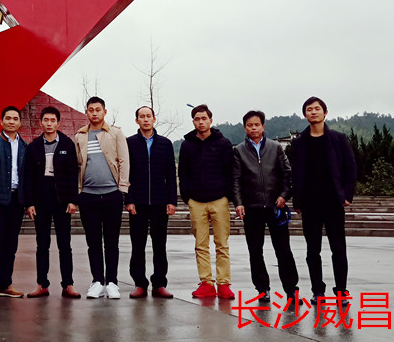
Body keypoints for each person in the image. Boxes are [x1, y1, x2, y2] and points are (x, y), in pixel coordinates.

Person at [291, 96, 356, 306]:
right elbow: (295, 173)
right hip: (310, 203)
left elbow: (351, 169)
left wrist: (347, 196)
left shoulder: (338, 139)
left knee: (338, 249)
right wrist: (297, 201)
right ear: (305, 115)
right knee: (313, 250)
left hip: (333, 201)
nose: (313, 112)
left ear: (325, 112)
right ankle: (318, 291)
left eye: (317, 108)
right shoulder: (299, 143)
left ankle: (341, 291)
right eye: (309, 109)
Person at [232, 110, 299, 304]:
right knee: (255, 251)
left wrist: (284, 195)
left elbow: (287, 174)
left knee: (283, 250)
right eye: (250, 125)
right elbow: (235, 179)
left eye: (257, 124)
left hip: (275, 206)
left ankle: (291, 290)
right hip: (251, 207)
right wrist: (239, 203)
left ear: (263, 126)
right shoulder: (239, 151)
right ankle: (262, 289)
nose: (253, 128)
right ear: (245, 128)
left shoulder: (275, 147)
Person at [73, 96, 129, 300]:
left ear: (105, 112)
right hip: (88, 196)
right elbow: (77, 165)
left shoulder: (116, 133)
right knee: (93, 241)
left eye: (98, 109)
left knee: (111, 241)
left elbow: (124, 161)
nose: (94, 113)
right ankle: (97, 281)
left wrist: (122, 188)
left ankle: (112, 282)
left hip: (112, 194)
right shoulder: (80, 136)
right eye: (91, 109)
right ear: (86, 112)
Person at [23, 106, 81, 299]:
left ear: (58, 123)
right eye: (46, 120)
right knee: (42, 244)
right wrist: (30, 203)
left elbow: (73, 174)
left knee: (65, 244)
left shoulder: (67, 144)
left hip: (62, 199)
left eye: (52, 120)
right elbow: (29, 176)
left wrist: (73, 200)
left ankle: (68, 284)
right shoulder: (34, 146)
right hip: (41, 198)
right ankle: (42, 284)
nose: (49, 124)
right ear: (41, 122)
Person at [178, 104, 234, 299]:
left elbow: (230, 171)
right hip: (196, 202)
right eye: (197, 119)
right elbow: (183, 173)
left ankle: (224, 283)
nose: (201, 122)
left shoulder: (223, 143)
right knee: (200, 245)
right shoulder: (187, 145)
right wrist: (187, 197)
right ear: (193, 122)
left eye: (204, 118)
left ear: (211, 120)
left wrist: (227, 196)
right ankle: (206, 283)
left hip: (219, 200)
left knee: (222, 244)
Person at [125, 106, 177, 299]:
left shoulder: (165, 143)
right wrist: (129, 199)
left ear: (154, 119)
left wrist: (172, 200)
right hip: (137, 203)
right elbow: (126, 174)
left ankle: (159, 284)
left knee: (159, 245)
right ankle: (140, 283)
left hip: (160, 202)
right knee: (137, 245)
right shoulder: (129, 143)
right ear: (136, 120)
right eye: (142, 116)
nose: (146, 119)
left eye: (149, 116)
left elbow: (171, 174)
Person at [0, 106, 28, 302]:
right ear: (1, 121)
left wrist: (28, 202)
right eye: (8, 118)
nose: (11, 121)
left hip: (17, 201)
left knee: (11, 244)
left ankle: (5, 284)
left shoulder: (25, 146)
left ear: (20, 123)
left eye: (15, 118)